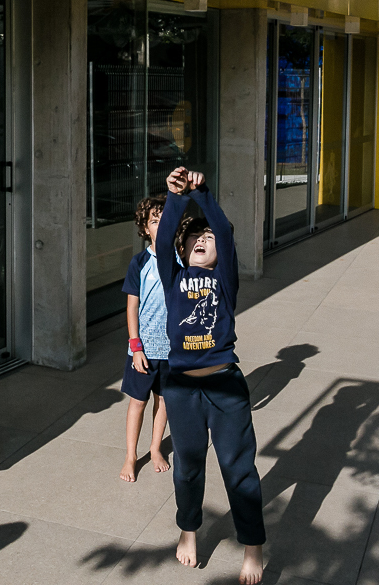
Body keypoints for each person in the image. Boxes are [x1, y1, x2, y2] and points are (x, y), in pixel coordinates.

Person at [156, 167, 265, 585]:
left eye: (208, 240)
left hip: (224, 384)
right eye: (193, 240)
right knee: (187, 467)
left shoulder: (224, 280)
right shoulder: (174, 279)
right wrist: (176, 198)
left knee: (239, 469)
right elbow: (164, 240)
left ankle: (253, 548)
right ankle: (189, 532)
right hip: (182, 387)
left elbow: (224, 229)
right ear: (183, 252)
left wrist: (203, 194)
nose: (202, 240)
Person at [119, 193, 171, 483]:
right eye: (154, 220)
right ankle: (130, 455)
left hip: (171, 350)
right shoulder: (139, 262)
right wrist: (135, 346)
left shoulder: (181, 260)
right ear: (144, 228)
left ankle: (155, 449)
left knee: (163, 400)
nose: (160, 224)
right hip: (144, 349)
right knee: (138, 401)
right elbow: (132, 306)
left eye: (166, 219)